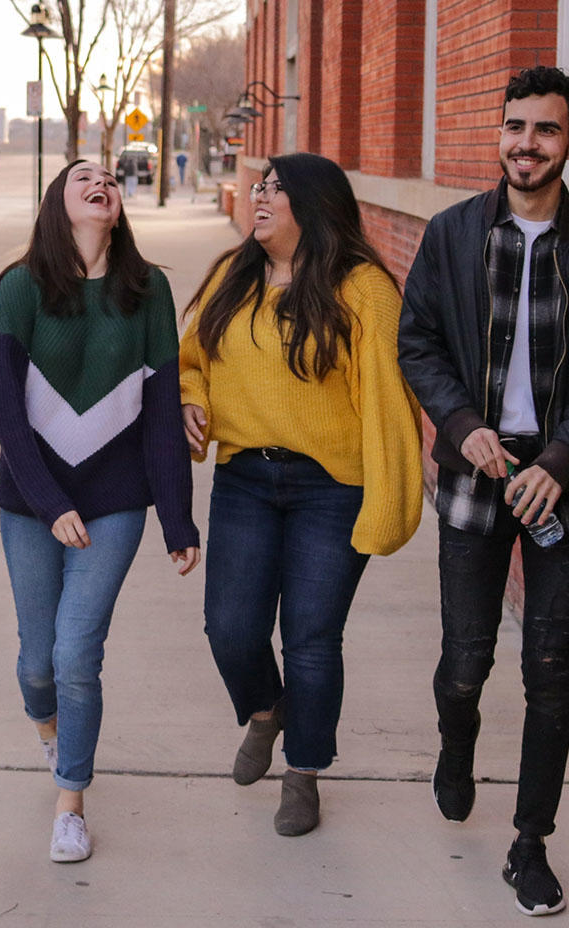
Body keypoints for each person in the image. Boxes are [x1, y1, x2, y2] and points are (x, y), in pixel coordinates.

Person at [398, 66, 569, 916]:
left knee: (549, 668)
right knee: (465, 662)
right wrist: (460, 422)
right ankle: (455, 744)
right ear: (499, 134)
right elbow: (418, 341)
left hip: (560, 479)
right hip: (475, 469)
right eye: (515, 127)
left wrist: (562, 459)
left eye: (544, 130)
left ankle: (529, 844)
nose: (525, 144)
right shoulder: (454, 234)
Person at [180, 151, 423, 837]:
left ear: (314, 205)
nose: (259, 196)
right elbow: (191, 361)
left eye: (276, 189)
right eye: (259, 185)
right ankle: (265, 711)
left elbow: (387, 403)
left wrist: (389, 503)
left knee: (312, 639)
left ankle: (305, 772)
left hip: (331, 488)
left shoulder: (364, 288)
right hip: (244, 479)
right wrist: (190, 401)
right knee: (230, 629)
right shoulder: (233, 276)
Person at [0, 160, 200, 863]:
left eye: (110, 177)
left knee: (77, 654)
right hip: (30, 501)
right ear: (59, 202)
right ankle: (50, 731)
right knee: (35, 662)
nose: (100, 181)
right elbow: (6, 416)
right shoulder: (20, 288)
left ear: (118, 206)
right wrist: (50, 506)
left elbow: (165, 413)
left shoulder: (149, 291)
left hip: (114, 502)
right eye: (83, 176)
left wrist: (177, 518)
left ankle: (70, 801)